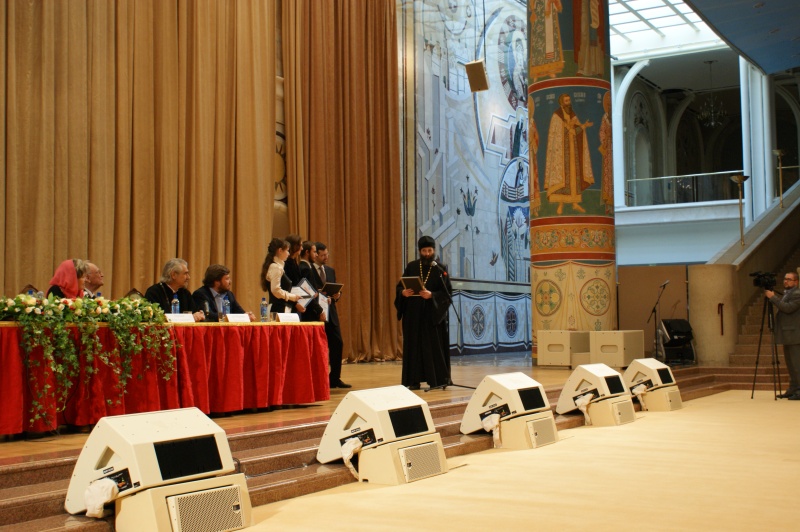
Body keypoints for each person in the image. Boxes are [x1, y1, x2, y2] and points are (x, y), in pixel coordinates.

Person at [394, 236, 452, 390]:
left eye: (430, 251)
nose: (427, 254)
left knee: (433, 349)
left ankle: (437, 380)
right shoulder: (412, 267)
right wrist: (403, 293)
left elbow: (447, 294)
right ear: (420, 251)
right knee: (414, 349)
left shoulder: (440, 269)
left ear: (434, 251)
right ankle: (413, 381)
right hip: (413, 316)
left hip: (432, 317)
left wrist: (432, 295)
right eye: (424, 251)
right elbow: (399, 287)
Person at [544, 93, 594, 215]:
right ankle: (561, 204)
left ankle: (574, 203)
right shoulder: (556, 116)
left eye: (569, 100)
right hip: (561, 153)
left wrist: (583, 126)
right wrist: (567, 128)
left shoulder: (573, 115)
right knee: (563, 178)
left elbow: (575, 131)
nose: (569, 103)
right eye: (566, 101)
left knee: (573, 176)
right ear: (562, 103)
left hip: (572, 150)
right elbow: (555, 135)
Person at [314, 242, 350, 389]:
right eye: (322, 255)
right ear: (316, 255)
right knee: (319, 347)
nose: (326, 257)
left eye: (327, 254)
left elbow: (334, 290)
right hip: (317, 313)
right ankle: (319, 379)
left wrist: (337, 295)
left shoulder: (330, 270)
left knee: (337, 343)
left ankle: (335, 377)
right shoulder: (309, 270)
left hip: (331, 312)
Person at [765, 271, 800, 399]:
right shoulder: (787, 293)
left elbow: (788, 308)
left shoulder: (797, 294)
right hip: (788, 334)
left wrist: (773, 297)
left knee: (797, 365)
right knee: (790, 365)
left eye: (789, 279)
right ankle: (793, 388)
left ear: (796, 282)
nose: (786, 281)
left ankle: (799, 391)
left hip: (795, 335)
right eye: (785, 279)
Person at [260, 238, 300, 314]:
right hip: (279, 309)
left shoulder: (278, 266)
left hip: (282, 308)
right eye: (287, 251)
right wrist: (292, 297)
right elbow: (275, 290)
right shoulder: (275, 267)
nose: (288, 254)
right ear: (280, 250)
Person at [299, 241, 326, 322]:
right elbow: (308, 293)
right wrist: (320, 310)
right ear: (307, 252)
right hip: (309, 313)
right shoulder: (306, 269)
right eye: (314, 252)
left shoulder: (303, 266)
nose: (316, 255)